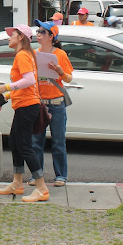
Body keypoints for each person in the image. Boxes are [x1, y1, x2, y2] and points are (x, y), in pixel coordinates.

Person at [0, 24, 49, 203]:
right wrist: (7, 95)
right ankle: (17, 183)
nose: (9, 37)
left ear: (21, 38)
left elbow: (29, 80)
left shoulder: (22, 55)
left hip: (27, 106)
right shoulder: (25, 55)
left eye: (13, 34)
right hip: (24, 105)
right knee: (15, 142)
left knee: (24, 145)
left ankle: (41, 188)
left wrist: (6, 88)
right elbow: (27, 85)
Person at [30, 19, 73, 187]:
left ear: (51, 36)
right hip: (39, 103)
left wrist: (60, 71)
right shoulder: (34, 53)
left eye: (42, 32)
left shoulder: (60, 55)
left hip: (56, 103)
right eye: (38, 31)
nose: (38, 34)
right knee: (36, 142)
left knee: (58, 142)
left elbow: (69, 78)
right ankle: (37, 175)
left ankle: (61, 176)